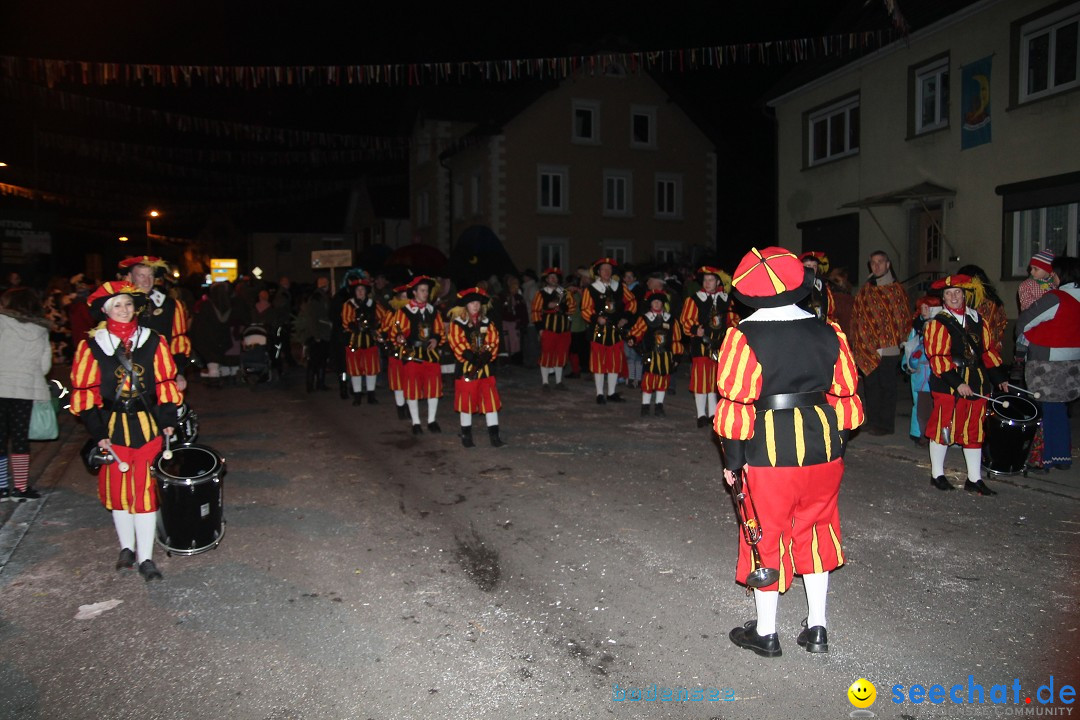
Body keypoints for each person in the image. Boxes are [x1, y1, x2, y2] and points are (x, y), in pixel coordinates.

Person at [715, 247, 863, 658]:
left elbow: (735, 404)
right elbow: (846, 399)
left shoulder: (744, 336)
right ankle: (817, 628)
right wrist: (834, 447)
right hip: (823, 446)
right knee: (817, 532)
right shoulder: (828, 331)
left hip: (768, 452)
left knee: (766, 535)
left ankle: (766, 633)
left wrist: (733, 461)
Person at [69, 281, 182, 581]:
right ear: (105, 310)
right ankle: (126, 549)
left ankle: (146, 558)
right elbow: (85, 392)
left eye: (128, 304)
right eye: (116, 305)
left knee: (145, 492)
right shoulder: (91, 345)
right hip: (112, 428)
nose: (124, 310)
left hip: (147, 427)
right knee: (119, 492)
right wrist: (97, 432)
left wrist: (168, 417)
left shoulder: (153, 340)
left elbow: (165, 383)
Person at [923, 274, 1008, 494]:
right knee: (944, 427)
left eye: (957, 292)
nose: (954, 297)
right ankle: (937, 475)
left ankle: (974, 479)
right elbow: (937, 356)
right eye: (949, 293)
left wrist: (1000, 378)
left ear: (965, 295)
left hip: (977, 382)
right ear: (943, 298)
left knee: (974, 429)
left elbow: (987, 351)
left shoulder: (978, 320)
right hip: (948, 383)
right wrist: (957, 383)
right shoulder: (938, 323)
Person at [1017, 256, 1080, 472]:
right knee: (1060, 408)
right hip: (1073, 361)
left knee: (1045, 409)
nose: (1052, 276)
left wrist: (1028, 340)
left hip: (1048, 361)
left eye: (1054, 273)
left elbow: (1026, 321)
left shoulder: (1057, 297)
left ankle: (1046, 456)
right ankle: (1061, 454)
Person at [0, 287, 52, 501]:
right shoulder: (40, 331)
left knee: (0, 438)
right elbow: (45, 366)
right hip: (26, 390)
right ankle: (20, 488)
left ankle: (1, 487)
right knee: (21, 438)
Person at [851, 250, 910, 436]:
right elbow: (858, 315)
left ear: (888, 264)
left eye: (880, 262)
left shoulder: (896, 289)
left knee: (887, 386)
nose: (876, 266)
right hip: (868, 347)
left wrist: (901, 339)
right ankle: (873, 420)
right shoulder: (866, 289)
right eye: (873, 263)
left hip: (889, 346)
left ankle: (885, 424)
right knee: (871, 386)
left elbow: (902, 316)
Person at [119, 256, 192, 390]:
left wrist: (180, 372)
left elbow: (178, 340)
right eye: (141, 275)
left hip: (161, 370)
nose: (147, 281)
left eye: (150, 275)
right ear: (129, 276)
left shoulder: (170, 305)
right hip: (125, 371)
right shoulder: (117, 305)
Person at [1015, 249, 1057, 470]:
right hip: (1034, 340)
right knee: (1037, 395)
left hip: (1052, 345)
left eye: (1036, 268)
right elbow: (1029, 311)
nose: (1032, 271)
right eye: (1031, 268)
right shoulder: (1028, 286)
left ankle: (1047, 451)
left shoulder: (1055, 286)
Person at [447, 287, 504, 447]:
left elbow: (494, 340)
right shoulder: (458, 323)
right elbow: (456, 342)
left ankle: (494, 436)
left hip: (486, 370)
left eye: (478, 302)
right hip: (467, 369)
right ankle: (466, 436)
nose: (476, 305)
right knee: (467, 402)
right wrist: (469, 356)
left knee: (490, 401)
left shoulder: (487, 322)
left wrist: (488, 353)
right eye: (472, 302)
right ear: (465, 305)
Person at [390, 275, 444, 434]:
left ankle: (432, 421)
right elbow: (396, 332)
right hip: (413, 354)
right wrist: (399, 338)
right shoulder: (404, 312)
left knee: (433, 388)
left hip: (430, 354)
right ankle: (416, 422)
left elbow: (440, 330)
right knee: (412, 388)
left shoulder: (433, 311)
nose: (425, 293)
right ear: (414, 292)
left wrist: (436, 339)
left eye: (427, 290)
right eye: (422, 290)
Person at [679, 266, 732, 428]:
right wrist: (695, 329)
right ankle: (701, 414)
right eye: (705, 280)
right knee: (701, 379)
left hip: (720, 346)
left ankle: (714, 413)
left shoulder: (726, 299)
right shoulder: (694, 299)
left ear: (717, 281)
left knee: (716, 379)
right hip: (701, 345)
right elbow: (685, 320)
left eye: (711, 280)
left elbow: (732, 318)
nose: (708, 283)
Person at [580, 258, 637, 403]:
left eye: (609, 269)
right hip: (599, 331)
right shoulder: (591, 289)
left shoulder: (619, 287)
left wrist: (625, 317)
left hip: (615, 331)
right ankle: (599, 394)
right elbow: (585, 309)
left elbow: (632, 301)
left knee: (614, 362)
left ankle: (611, 393)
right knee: (599, 362)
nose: (607, 272)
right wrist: (595, 318)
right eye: (604, 269)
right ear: (598, 272)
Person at [626, 290, 683, 416]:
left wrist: (677, 355)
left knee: (663, 381)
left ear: (663, 304)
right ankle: (645, 406)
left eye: (659, 301)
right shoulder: (645, 318)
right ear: (650, 303)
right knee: (648, 380)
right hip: (650, 355)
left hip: (666, 356)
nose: (656, 304)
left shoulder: (671, 319)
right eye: (654, 301)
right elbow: (636, 331)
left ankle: (659, 406)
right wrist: (632, 338)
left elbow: (676, 339)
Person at [341, 278, 388, 406]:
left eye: (362, 289)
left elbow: (385, 317)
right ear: (354, 292)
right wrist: (354, 326)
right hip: (354, 342)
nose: (360, 292)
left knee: (371, 368)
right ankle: (357, 396)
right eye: (358, 290)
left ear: (366, 291)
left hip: (370, 342)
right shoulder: (349, 305)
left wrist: (377, 326)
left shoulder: (373, 304)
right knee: (355, 369)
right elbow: (346, 321)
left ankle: (371, 395)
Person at [901, 295, 940, 446]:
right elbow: (910, 348)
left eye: (927, 308)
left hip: (932, 372)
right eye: (922, 308)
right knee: (918, 402)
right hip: (917, 371)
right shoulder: (917, 328)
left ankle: (928, 434)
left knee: (930, 404)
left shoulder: (938, 326)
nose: (924, 311)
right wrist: (906, 364)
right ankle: (917, 433)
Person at [531, 268, 576, 391]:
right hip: (548, 329)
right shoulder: (541, 293)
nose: (553, 279)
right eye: (551, 277)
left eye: (555, 277)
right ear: (546, 279)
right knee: (546, 355)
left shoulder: (564, 292)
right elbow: (535, 312)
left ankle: (559, 382)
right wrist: (540, 329)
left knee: (561, 355)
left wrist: (560, 307)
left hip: (564, 330)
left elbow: (572, 308)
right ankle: (545, 382)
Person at [295, 276, 333, 392]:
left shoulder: (321, 297)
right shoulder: (317, 298)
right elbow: (313, 318)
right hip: (319, 334)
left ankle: (318, 384)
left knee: (320, 360)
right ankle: (312, 385)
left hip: (321, 333)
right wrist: (316, 335)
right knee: (315, 361)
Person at [957, 264, 1007, 350]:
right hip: (994, 350)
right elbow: (1002, 325)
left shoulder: (975, 304)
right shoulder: (996, 302)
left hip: (980, 352)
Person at [382, 283, 411, 420]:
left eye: (408, 297)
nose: (406, 300)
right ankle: (401, 407)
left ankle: (410, 406)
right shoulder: (391, 313)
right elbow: (384, 329)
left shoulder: (413, 313)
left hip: (410, 351)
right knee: (398, 380)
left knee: (410, 379)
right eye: (403, 297)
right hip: (396, 350)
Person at [797, 251, 836, 323]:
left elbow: (828, 309)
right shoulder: (796, 285)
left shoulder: (822, 284)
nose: (812, 269)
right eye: (808, 266)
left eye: (814, 266)